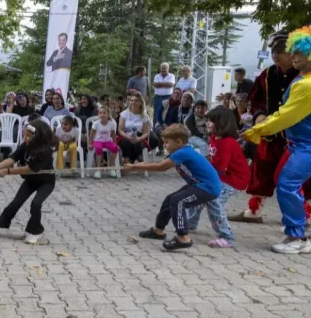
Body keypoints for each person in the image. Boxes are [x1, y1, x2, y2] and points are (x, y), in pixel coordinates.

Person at [243, 26, 311, 254]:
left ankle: (297, 237)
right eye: (293, 53)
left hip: (306, 145)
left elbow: (286, 115)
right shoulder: (300, 78)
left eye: (298, 54)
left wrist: (258, 130)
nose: (294, 57)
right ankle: (296, 232)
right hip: (295, 144)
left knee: (288, 184)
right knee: (282, 180)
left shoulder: (306, 84)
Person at [129, 124, 221, 250]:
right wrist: (136, 165)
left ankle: (182, 237)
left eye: (167, 142)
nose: (164, 145)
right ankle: (158, 230)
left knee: (178, 201)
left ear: (178, 142)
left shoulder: (183, 152)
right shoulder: (180, 151)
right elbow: (159, 163)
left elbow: (161, 167)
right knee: (170, 199)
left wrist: (134, 167)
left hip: (207, 188)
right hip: (197, 185)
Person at [0, 119, 57, 244]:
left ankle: (35, 231)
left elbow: (30, 169)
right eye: (25, 135)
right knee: (16, 203)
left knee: (36, 203)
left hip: (46, 181)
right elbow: (12, 159)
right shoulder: (26, 145)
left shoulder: (46, 151)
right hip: (30, 181)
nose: (25, 138)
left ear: (37, 136)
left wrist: (7, 172)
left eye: (28, 136)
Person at [184, 106, 248, 248]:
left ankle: (227, 236)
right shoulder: (214, 138)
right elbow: (213, 161)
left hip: (233, 180)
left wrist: (198, 168)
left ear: (221, 123)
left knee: (214, 200)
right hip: (221, 177)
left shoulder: (227, 143)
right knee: (200, 193)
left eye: (211, 121)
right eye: (208, 120)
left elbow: (219, 167)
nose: (207, 123)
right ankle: (190, 223)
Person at [117, 94, 152, 164]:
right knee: (126, 142)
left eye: (136, 101)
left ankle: (131, 160)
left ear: (141, 103)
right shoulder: (124, 114)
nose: (133, 102)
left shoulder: (145, 116)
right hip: (125, 134)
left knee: (138, 144)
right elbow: (120, 130)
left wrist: (139, 138)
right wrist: (127, 137)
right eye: (131, 100)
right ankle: (128, 160)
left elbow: (146, 132)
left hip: (138, 135)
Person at [89, 106, 119, 179]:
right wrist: (90, 144)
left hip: (107, 141)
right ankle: (98, 169)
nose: (102, 114)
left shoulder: (111, 123)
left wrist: (115, 143)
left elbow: (113, 134)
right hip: (97, 141)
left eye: (104, 113)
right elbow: (91, 134)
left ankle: (111, 167)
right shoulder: (96, 123)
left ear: (108, 114)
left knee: (115, 148)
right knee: (98, 149)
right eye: (100, 113)